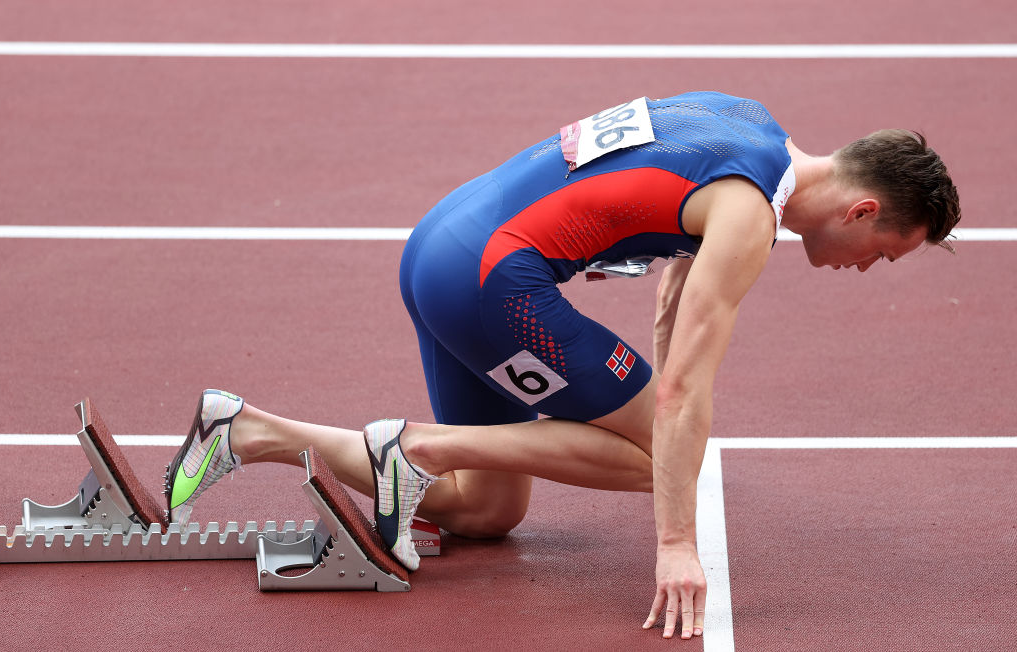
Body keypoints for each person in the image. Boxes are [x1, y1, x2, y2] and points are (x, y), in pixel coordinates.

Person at [163, 92, 960, 640]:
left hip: (442, 242)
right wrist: (675, 540)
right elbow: (683, 393)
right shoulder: (750, 216)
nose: (868, 268)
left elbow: (673, 289)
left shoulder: (749, 127)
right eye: (883, 252)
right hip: (491, 284)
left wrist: (642, 390)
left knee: (486, 511)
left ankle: (248, 431)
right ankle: (411, 448)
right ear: (862, 211)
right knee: (669, 458)